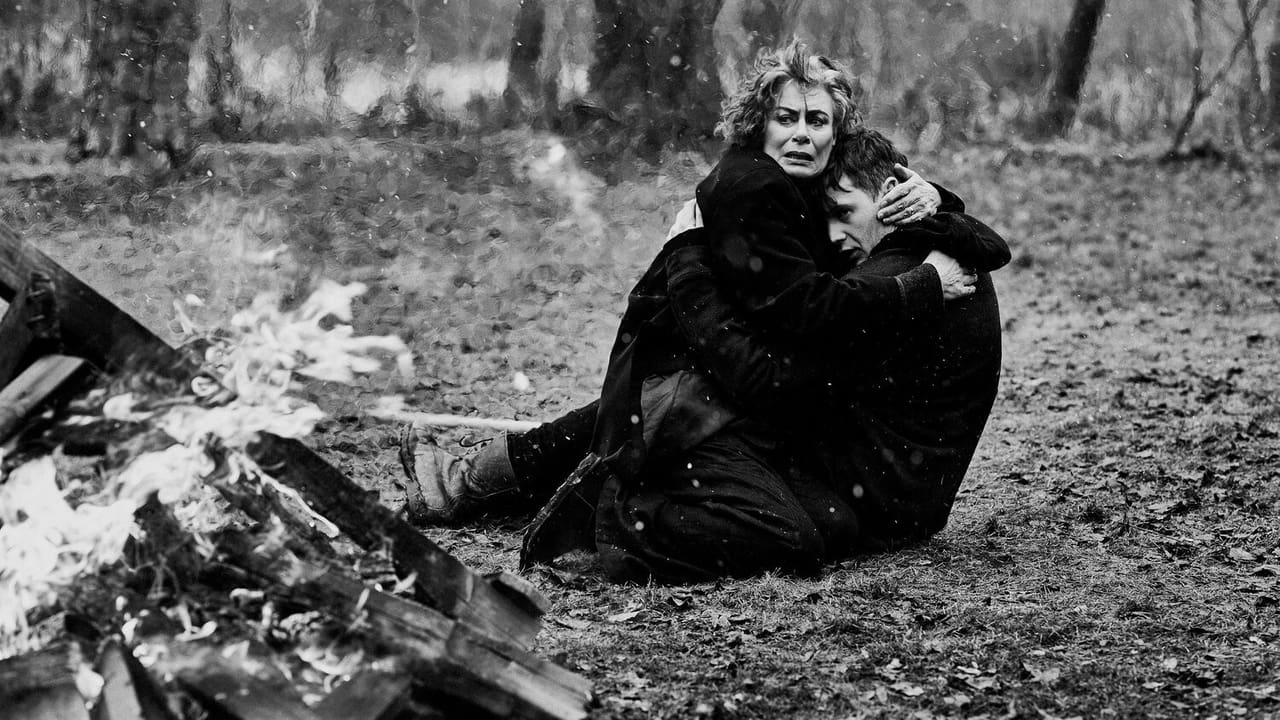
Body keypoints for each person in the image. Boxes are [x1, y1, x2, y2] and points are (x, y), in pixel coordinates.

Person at [402, 43, 1006, 582]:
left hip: (866, 489)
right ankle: (484, 481)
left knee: (695, 404)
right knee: (682, 399)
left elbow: (777, 361)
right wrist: (938, 206)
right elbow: (799, 334)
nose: (832, 235)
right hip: (863, 476)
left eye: (844, 212)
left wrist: (687, 261)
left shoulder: (907, 267)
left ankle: (558, 498)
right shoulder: (909, 246)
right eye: (786, 119)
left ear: (895, 191)